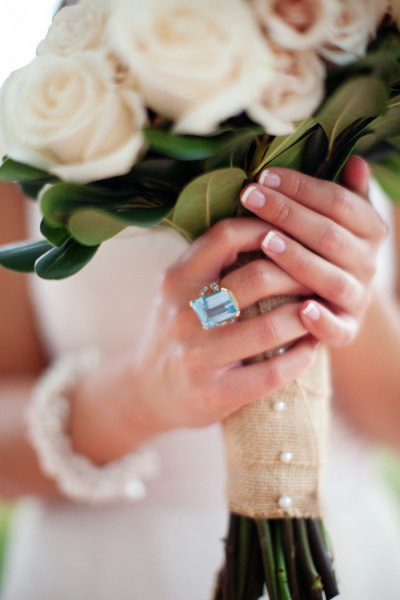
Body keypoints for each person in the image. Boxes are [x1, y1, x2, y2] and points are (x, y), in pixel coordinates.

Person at [0, 157, 399, 599]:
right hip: (107, 568)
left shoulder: (377, 100)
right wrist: (139, 398)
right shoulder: (25, 129)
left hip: (351, 541)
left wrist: (338, 285)